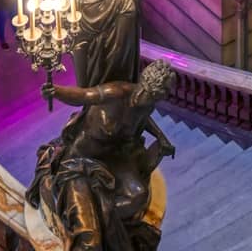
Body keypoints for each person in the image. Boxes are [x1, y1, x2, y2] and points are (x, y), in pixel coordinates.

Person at [27, 60, 176, 251]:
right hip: (78, 163)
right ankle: (96, 218)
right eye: (164, 91)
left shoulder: (147, 105)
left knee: (138, 194)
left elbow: (143, 119)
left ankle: (99, 212)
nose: (165, 96)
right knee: (90, 242)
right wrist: (56, 91)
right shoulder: (116, 92)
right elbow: (83, 96)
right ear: (151, 85)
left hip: (112, 161)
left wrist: (161, 138)